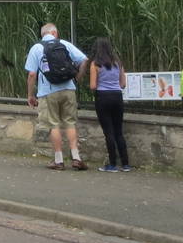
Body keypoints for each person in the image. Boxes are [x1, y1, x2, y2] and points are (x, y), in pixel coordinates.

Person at [24, 23, 88, 170]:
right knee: (70, 123)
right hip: (68, 89)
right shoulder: (64, 44)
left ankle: (58, 161)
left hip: (48, 91)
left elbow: (32, 74)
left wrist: (30, 95)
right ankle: (76, 158)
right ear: (54, 33)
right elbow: (84, 60)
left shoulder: (36, 48)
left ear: (43, 34)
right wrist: (77, 77)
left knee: (54, 125)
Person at [87, 37, 131, 172]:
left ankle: (112, 164)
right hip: (117, 97)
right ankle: (125, 164)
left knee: (108, 132)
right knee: (119, 131)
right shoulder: (118, 63)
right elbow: (123, 84)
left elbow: (93, 86)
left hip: (103, 98)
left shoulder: (95, 64)